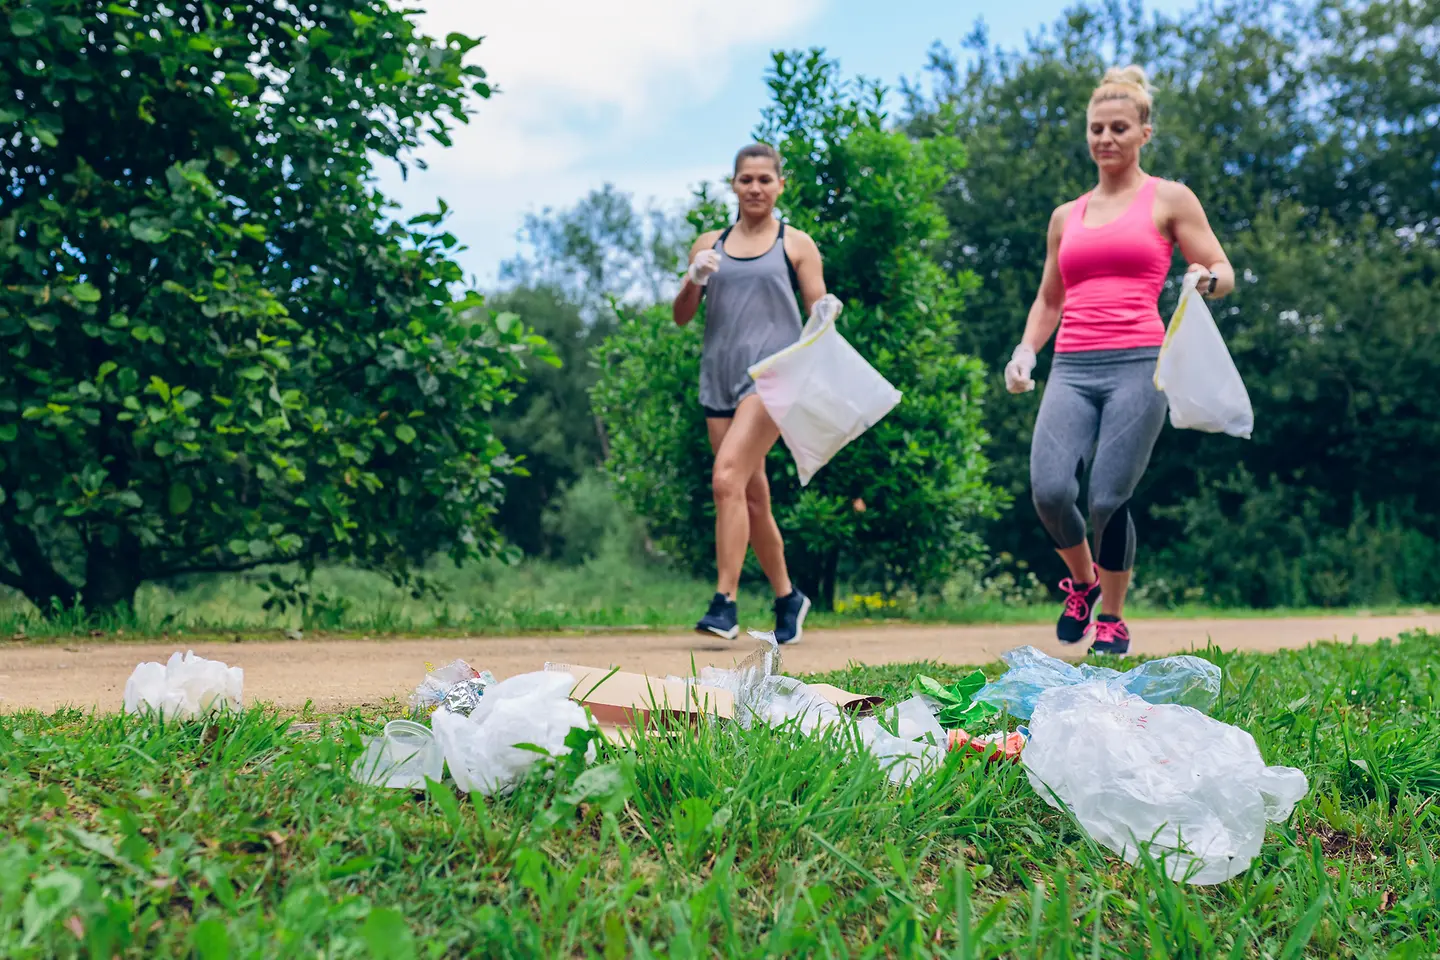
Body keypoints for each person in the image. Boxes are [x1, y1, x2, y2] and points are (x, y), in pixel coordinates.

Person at [1004, 66, 1234, 655]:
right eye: (1096, 128)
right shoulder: (1066, 215)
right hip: (1073, 367)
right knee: (1051, 490)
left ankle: (1112, 615)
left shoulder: (1170, 198)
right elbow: (1050, 298)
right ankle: (1081, 582)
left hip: (1139, 363)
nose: (1105, 138)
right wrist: (1027, 350)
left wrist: (1206, 279)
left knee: (1107, 498)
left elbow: (1223, 270)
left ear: (1143, 134)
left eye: (1118, 128)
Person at [672, 143, 826, 644]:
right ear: (733, 185)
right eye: (746, 179)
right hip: (718, 379)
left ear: (781, 185)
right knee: (750, 495)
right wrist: (694, 279)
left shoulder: (795, 244)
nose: (755, 188)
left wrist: (826, 312)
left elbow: (819, 310)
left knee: (726, 478)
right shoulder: (709, 243)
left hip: (771, 381)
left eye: (765, 179)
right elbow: (680, 315)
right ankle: (787, 596)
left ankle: (725, 603)